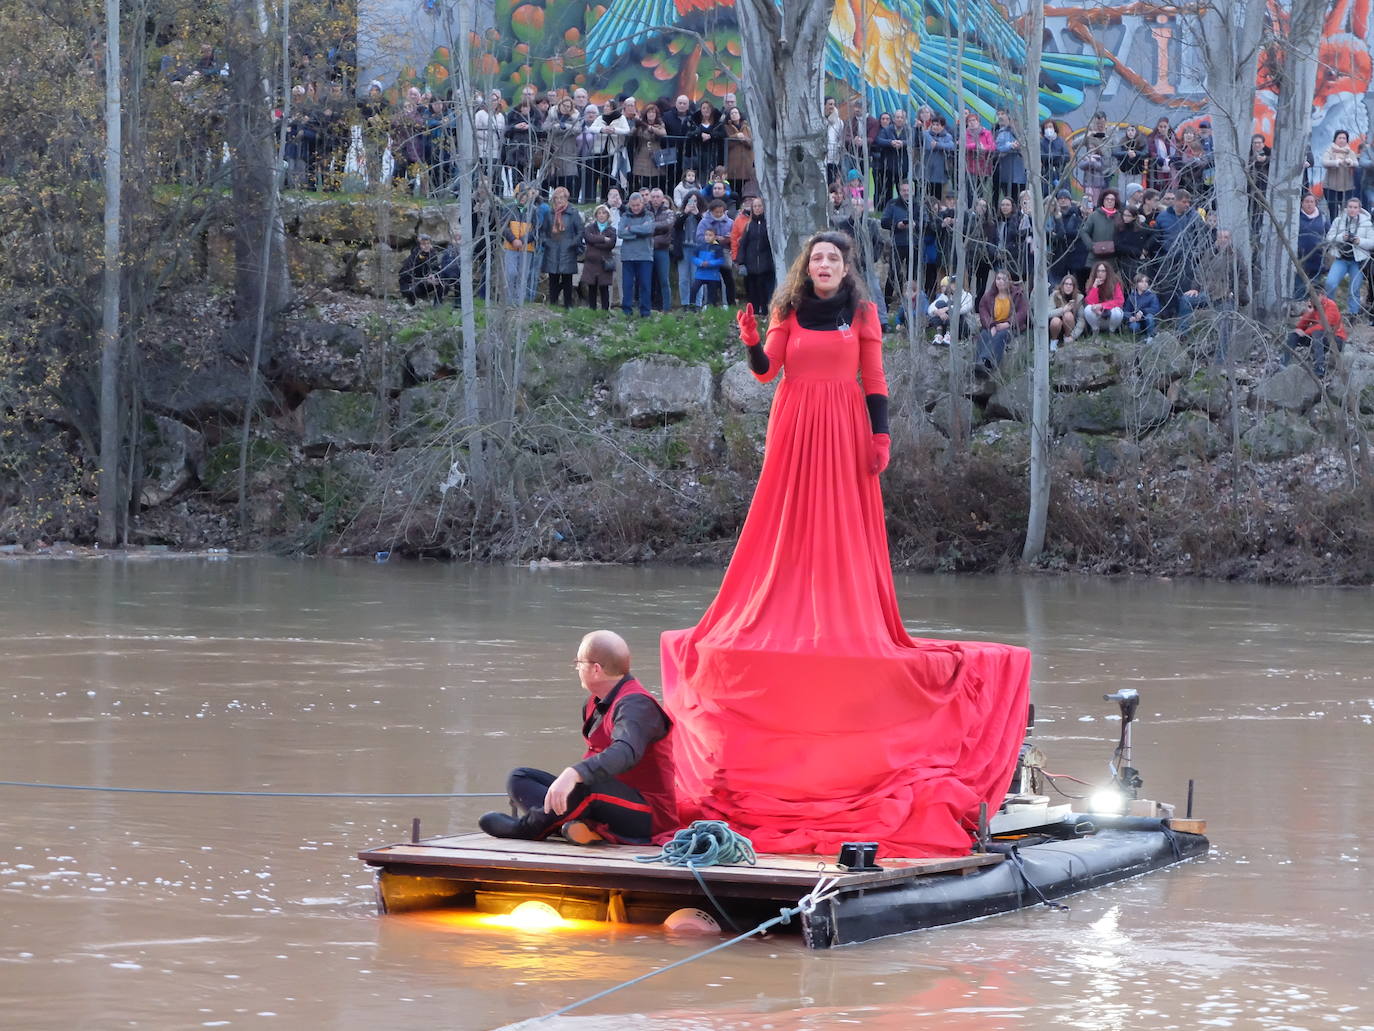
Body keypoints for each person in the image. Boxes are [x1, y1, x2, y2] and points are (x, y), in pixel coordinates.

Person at [661, 231, 1031, 857]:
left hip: (843, 420)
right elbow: (766, 373)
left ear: (845, 267)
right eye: (817, 258)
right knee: (787, 521)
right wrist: (752, 340)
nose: (824, 265)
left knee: (842, 523)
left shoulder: (861, 312)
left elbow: (875, 379)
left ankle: (840, 618)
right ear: (806, 268)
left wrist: (880, 437)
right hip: (796, 420)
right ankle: (784, 611)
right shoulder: (788, 311)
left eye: (833, 258)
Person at [477, 631, 676, 845]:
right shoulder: (595, 701)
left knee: (586, 785)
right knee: (520, 777)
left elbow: (625, 752)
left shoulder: (637, 706)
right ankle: (573, 826)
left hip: (646, 814)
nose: (576, 668)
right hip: (603, 800)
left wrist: (575, 773)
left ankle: (530, 828)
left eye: (579, 662)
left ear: (596, 669)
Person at [1323, 195, 1374, 318]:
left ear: (1359, 209)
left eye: (1355, 207)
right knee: (1330, 282)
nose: (1352, 209)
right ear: (1346, 208)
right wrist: (1341, 238)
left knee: (1354, 289)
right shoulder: (1338, 220)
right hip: (1341, 259)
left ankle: (1353, 313)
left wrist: (1358, 241)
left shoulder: (1366, 223)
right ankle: (1330, 310)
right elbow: (1328, 238)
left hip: (1357, 261)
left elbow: (1372, 243)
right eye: (1350, 207)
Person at [1283, 284, 1346, 378]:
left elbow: (1324, 326)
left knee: (1317, 334)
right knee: (1294, 335)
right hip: (1319, 337)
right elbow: (1301, 326)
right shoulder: (1315, 308)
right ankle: (1284, 362)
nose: (1312, 299)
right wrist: (1309, 313)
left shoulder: (1331, 305)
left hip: (1336, 339)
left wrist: (1305, 333)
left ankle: (1320, 367)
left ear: (1322, 295)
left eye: (1315, 296)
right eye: (1311, 297)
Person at [975, 267, 1028, 376]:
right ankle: (978, 363)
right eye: (998, 279)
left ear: (1009, 281)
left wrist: (1008, 323)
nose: (1001, 281)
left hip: (1010, 327)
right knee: (984, 334)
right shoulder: (989, 295)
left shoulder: (1018, 295)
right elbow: (983, 310)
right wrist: (991, 325)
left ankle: (987, 363)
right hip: (993, 325)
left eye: (1004, 279)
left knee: (1001, 335)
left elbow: (1022, 312)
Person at [541, 187, 584, 309]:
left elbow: (580, 231)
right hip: (552, 250)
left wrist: (572, 243)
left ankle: (568, 306)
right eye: (556, 198)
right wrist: (546, 242)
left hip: (567, 250)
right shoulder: (549, 213)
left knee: (567, 280)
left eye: (562, 197)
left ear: (566, 198)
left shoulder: (573, 213)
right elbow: (543, 232)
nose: (559, 200)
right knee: (553, 280)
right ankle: (553, 305)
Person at [737, 197, 776, 312]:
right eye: (755, 206)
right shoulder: (749, 226)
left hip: (766, 264)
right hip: (751, 264)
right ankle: (753, 311)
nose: (758, 208)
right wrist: (741, 262)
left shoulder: (769, 225)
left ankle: (764, 311)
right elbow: (743, 245)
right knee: (752, 289)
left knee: (764, 289)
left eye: (760, 206)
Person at [581, 205, 617, 310]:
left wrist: (595, 241)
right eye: (599, 213)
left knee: (604, 287)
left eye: (604, 213)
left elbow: (610, 244)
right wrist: (603, 239)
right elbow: (588, 238)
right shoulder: (589, 228)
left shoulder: (612, 229)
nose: (601, 215)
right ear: (596, 215)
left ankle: (605, 311)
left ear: (607, 215)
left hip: (604, 263)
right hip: (591, 263)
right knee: (591, 287)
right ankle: (592, 310)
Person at [399, 233, 446, 305]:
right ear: (419, 245)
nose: (426, 246)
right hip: (412, 284)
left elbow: (435, 268)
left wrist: (433, 275)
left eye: (428, 243)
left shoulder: (432, 254)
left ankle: (437, 304)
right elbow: (406, 276)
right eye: (423, 244)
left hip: (426, 282)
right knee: (411, 290)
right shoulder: (414, 256)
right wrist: (424, 280)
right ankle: (412, 303)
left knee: (443, 282)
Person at [927, 274, 973, 345]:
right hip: (948, 322)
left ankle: (951, 336)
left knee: (951, 305)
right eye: (952, 283)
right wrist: (938, 312)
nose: (953, 285)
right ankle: (940, 335)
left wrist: (947, 308)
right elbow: (930, 308)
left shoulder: (967, 295)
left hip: (963, 326)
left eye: (955, 283)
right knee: (939, 304)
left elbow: (964, 309)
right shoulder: (945, 296)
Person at [1323, 130, 1359, 219]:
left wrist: (1351, 162)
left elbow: (1357, 164)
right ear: (1335, 139)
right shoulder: (1330, 150)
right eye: (1340, 138)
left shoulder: (1350, 152)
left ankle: (1345, 230)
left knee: (1347, 211)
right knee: (1333, 211)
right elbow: (1324, 162)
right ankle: (1334, 230)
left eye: (1344, 138)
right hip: (1330, 186)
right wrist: (1336, 162)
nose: (1342, 140)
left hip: (1347, 187)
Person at [1083, 261, 1124, 334]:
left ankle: (1111, 331)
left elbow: (1119, 301)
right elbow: (1090, 302)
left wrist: (1102, 305)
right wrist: (1095, 287)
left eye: (1103, 271)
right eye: (1098, 271)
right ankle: (1095, 331)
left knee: (1117, 312)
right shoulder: (1092, 282)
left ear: (1108, 272)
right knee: (1088, 309)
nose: (1100, 273)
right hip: (1097, 318)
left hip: (1111, 318)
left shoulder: (1115, 282)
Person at [692, 226, 729, 307]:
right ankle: (692, 306)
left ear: (715, 237)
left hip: (712, 275)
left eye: (710, 235)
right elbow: (693, 257)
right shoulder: (700, 246)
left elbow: (720, 260)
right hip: (700, 274)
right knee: (694, 289)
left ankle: (710, 307)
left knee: (712, 294)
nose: (707, 237)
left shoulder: (718, 248)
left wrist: (709, 263)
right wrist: (700, 263)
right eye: (706, 235)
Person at [1048, 273, 1084, 349]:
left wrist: (1073, 336)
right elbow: (1048, 313)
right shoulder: (1055, 294)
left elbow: (1081, 320)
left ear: (1074, 287)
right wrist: (1063, 310)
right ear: (1062, 285)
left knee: (1068, 315)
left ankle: (1067, 340)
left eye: (1071, 285)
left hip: (1070, 328)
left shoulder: (1079, 298)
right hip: (1055, 327)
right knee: (1056, 320)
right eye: (1066, 284)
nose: (1068, 286)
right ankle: (1053, 342)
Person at [1125, 272, 1161, 344]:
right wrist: (1130, 317)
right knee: (1133, 326)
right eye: (1141, 282)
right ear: (1136, 284)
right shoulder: (1132, 297)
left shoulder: (1152, 296)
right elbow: (1126, 311)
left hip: (1148, 320)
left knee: (1149, 317)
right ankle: (1140, 338)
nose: (1145, 284)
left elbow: (1155, 309)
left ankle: (1151, 336)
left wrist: (1142, 312)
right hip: (1137, 321)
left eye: (1146, 282)